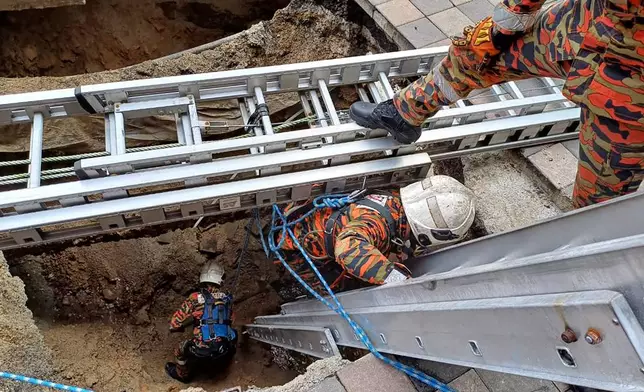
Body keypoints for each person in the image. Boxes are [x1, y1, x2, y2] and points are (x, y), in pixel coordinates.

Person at [349, 0, 643, 209]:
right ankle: (404, 113)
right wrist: (511, 19)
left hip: (630, 93)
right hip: (589, 23)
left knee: (599, 202)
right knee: (475, 54)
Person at [272, 175, 476, 293]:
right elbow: (348, 250)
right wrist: (398, 280)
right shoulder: (379, 224)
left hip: (305, 214)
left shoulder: (394, 200)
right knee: (333, 289)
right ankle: (289, 287)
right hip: (293, 242)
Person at [165, 261, 238, 383]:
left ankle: (183, 375)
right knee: (234, 333)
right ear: (220, 278)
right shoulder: (226, 298)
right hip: (224, 346)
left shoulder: (195, 298)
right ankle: (225, 361)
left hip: (203, 348)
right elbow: (231, 320)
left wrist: (179, 327)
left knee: (179, 349)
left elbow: (174, 323)